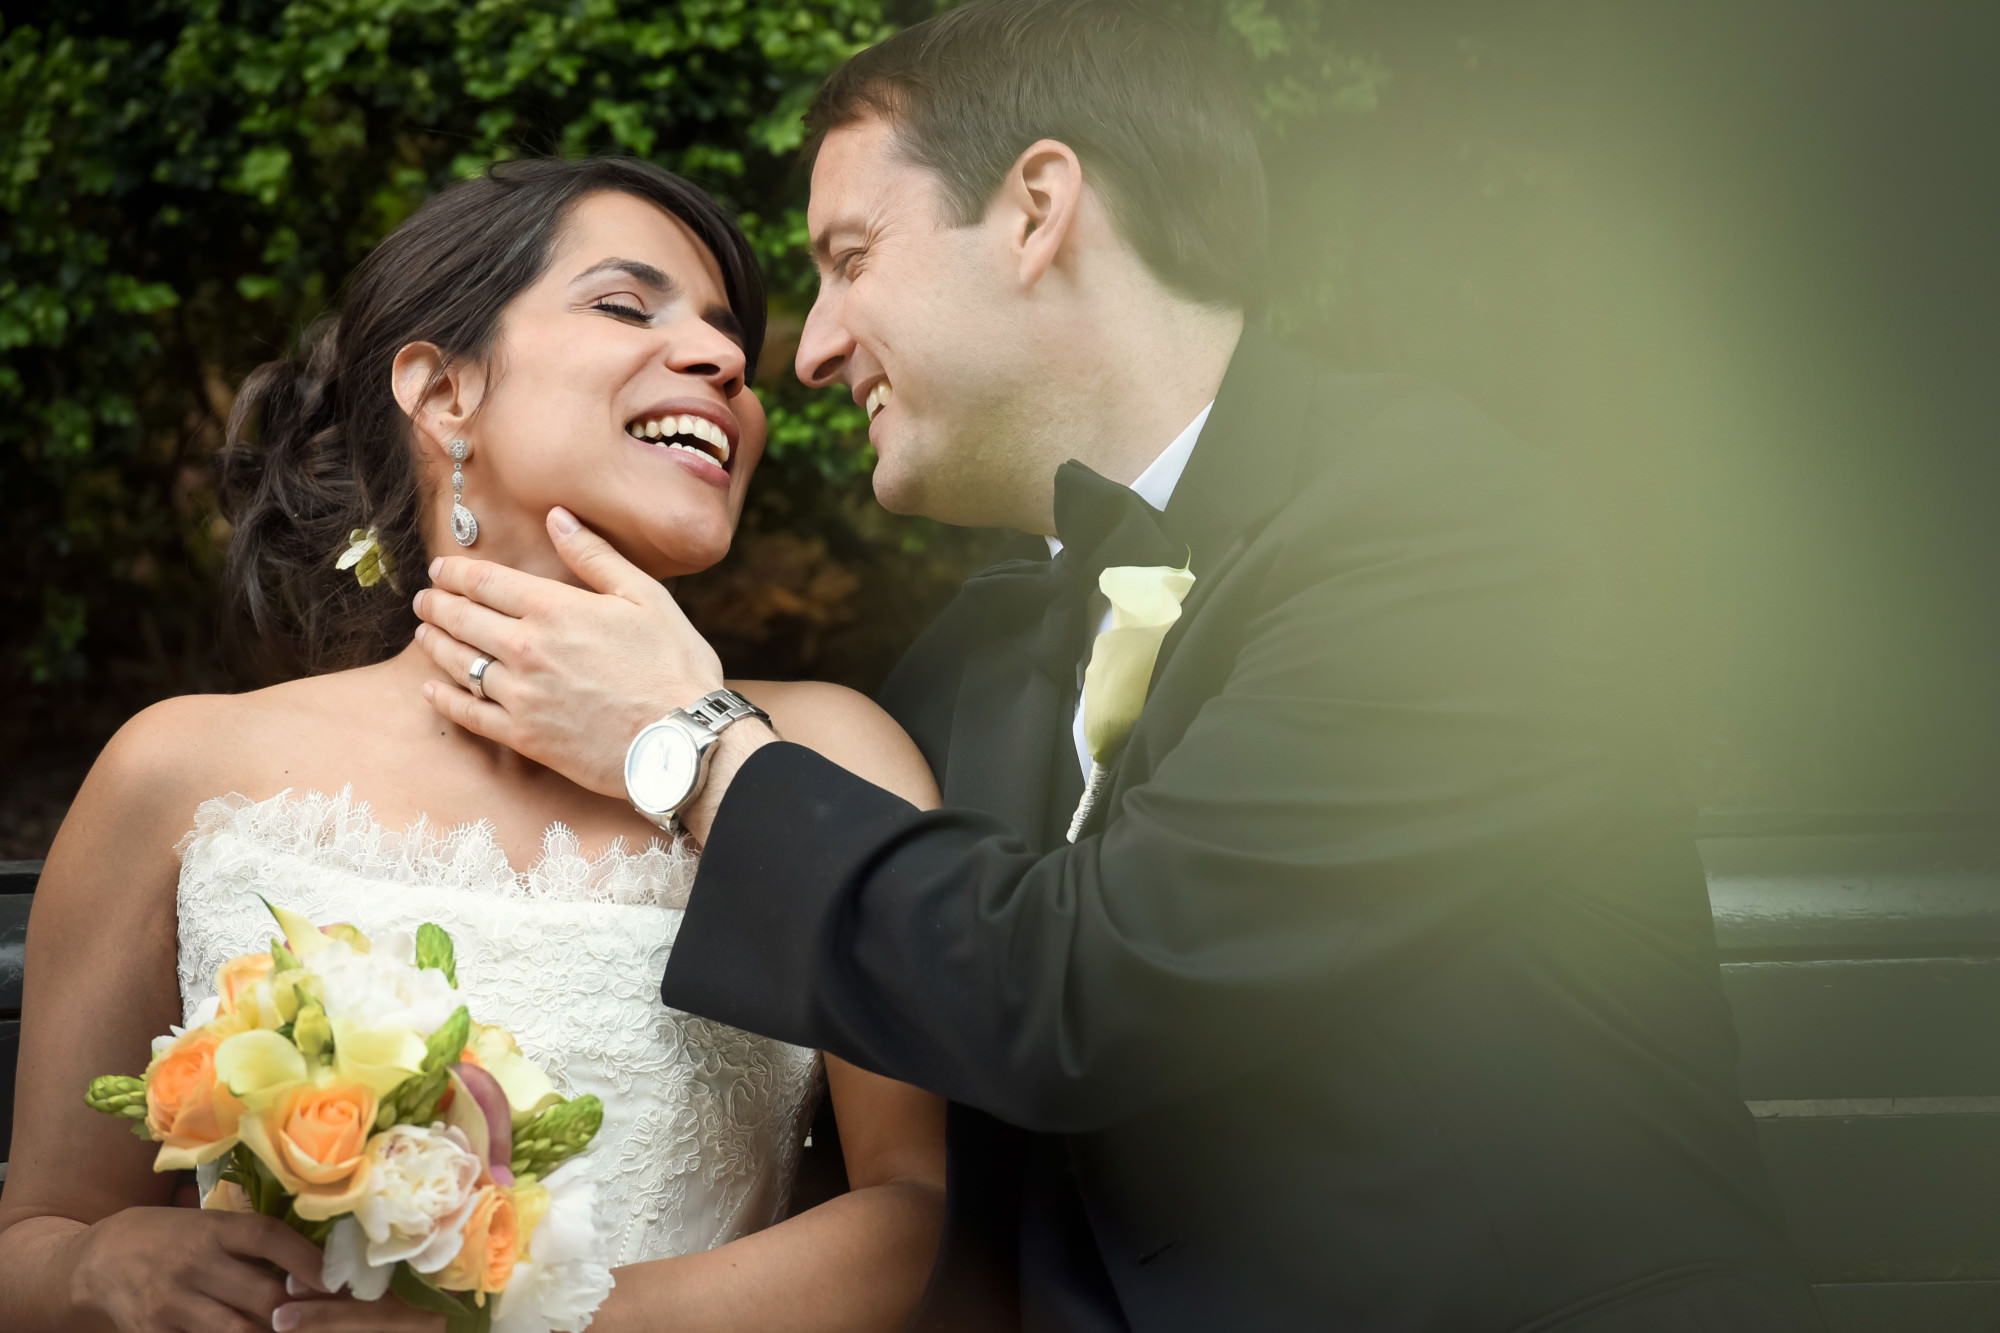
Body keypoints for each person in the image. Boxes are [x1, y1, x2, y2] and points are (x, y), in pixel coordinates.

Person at [408, 3, 1829, 1331]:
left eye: (849, 259)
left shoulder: (1443, 536)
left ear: (1037, 210)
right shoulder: (966, 664)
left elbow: (1094, 989)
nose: (816, 350)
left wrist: (689, 744)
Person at [0, 157, 948, 1333]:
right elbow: (32, 1241)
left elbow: (926, 1215)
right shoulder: (178, 771)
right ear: (443, 392)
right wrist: (103, 1267)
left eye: (725, 340)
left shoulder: (822, 753)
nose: (724, 363)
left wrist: (525, 1323)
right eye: (625, 304)